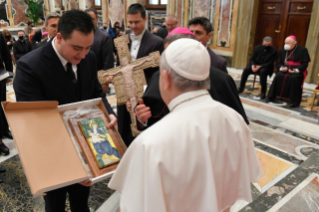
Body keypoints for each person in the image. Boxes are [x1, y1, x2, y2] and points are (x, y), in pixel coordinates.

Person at [109, 38, 262, 212]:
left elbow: (134, 206)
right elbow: (247, 175)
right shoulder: (235, 120)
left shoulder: (150, 143)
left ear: (165, 78)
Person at [13, 10, 117, 212]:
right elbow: (37, 125)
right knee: (55, 205)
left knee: (81, 204)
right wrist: (73, 169)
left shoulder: (89, 58)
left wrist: (108, 113)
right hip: (53, 155)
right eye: (77, 48)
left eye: (88, 47)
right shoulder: (30, 67)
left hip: (86, 148)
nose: (83, 54)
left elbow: (96, 94)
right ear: (59, 37)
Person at [134, 27, 249, 132]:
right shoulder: (159, 75)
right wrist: (142, 119)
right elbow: (148, 118)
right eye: (168, 54)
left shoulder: (222, 79)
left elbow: (239, 125)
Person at [109, 3, 163, 147]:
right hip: (124, 95)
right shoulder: (122, 41)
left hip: (144, 97)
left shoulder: (157, 42)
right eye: (130, 22)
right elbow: (121, 66)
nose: (133, 26)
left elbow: (156, 75)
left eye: (137, 21)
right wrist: (114, 78)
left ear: (145, 19)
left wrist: (141, 95)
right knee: (124, 129)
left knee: (141, 134)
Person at [267, 35, 310, 107]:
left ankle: (294, 101)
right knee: (278, 76)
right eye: (285, 43)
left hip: (297, 70)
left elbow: (305, 64)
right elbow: (278, 62)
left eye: (287, 43)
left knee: (293, 78)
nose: (285, 45)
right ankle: (272, 96)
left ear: (293, 43)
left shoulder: (303, 50)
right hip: (285, 68)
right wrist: (281, 68)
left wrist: (296, 70)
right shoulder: (283, 50)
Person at [85, 8, 115, 94]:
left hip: (98, 80)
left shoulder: (104, 37)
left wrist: (105, 82)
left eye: (92, 19)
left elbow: (108, 61)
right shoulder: (80, 35)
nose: (89, 21)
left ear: (97, 20)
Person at [0, 33, 13, 184]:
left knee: (1, 108)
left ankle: (3, 132)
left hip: (0, 77)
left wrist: (9, 72)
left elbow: (5, 53)